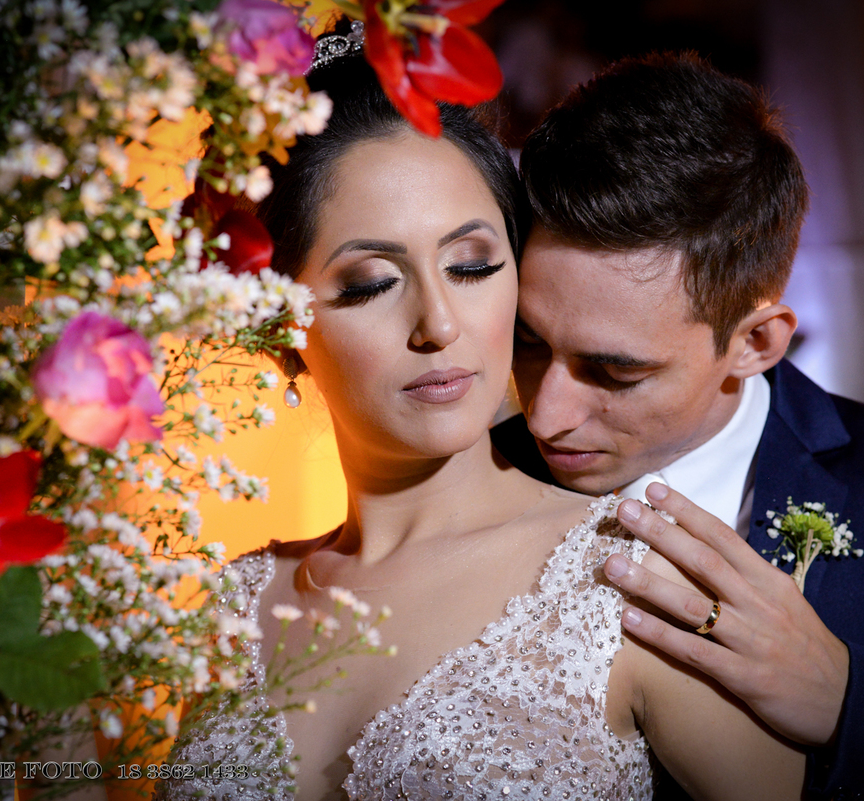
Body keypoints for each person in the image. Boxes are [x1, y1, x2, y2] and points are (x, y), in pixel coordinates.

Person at [157, 32, 805, 801]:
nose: (439, 324)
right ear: (279, 320)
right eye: (369, 283)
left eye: (471, 266)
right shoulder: (233, 605)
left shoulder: (636, 580)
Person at [492, 52, 864, 800]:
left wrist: (849, 699)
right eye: (528, 342)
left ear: (756, 342)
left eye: (615, 372)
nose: (546, 415)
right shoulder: (459, 483)